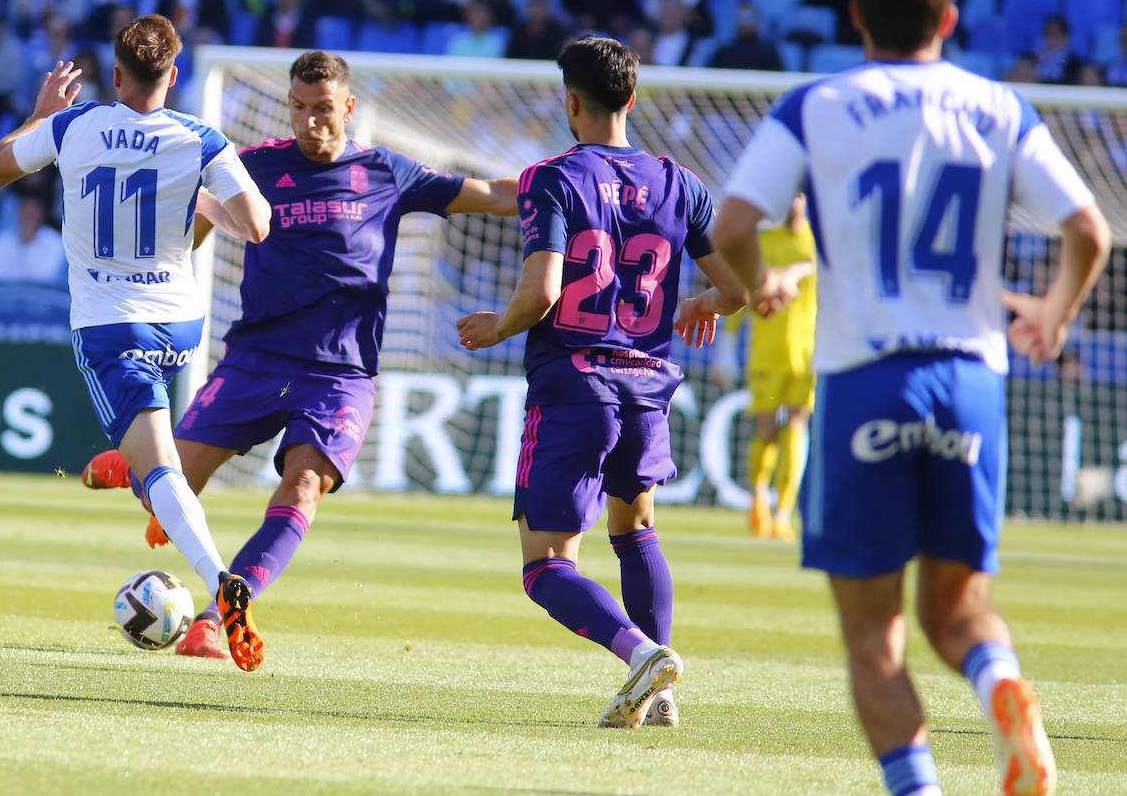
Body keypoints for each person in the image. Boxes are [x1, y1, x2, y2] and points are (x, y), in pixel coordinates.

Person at [713, 0, 1109, 796]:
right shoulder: (998, 107)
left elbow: (733, 221)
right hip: (970, 379)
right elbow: (1090, 230)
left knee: (873, 635)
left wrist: (755, 284)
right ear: (951, 14)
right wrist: (1052, 312)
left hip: (864, 381)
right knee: (959, 613)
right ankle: (1000, 680)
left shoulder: (817, 105)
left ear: (854, 14)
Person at [79, 50, 520, 667]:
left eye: (323, 110)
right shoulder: (254, 166)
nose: (310, 123)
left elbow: (496, 196)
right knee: (173, 489)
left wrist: (561, 188)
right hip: (256, 358)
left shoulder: (386, 173)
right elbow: (196, 222)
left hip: (340, 373)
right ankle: (137, 470)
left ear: (349, 108)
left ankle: (217, 616)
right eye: (299, 109)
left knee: (305, 483)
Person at [456, 36, 748, 729]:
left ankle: (642, 654)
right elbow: (736, 290)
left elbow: (542, 292)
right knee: (635, 525)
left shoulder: (553, 177)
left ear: (572, 101)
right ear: (634, 98)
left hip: (574, 383)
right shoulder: (682, 182)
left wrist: (496, 327)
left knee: (545, 565)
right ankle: (664, 691)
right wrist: (699, 306)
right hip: (647, 386)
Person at [0, 14, 273, 671]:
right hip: (180, 325)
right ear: (174, 75)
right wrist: (206, 201)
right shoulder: (201, 139)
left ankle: (219, 576)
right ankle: (133, 469)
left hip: (112, 326)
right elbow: (258, 226)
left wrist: (39, 113)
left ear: (115, 75)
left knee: (164, 467)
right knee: (152, 450)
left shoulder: (73, 125)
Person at [740, 195, 816, 542]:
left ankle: (784, 512)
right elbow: (741, 295)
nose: (792, 203)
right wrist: (726, 349)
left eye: (798, 196)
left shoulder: (819, 242)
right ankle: (758, 499)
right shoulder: (762, 242)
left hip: (808, 351)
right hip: (767, 350)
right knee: (766, 430)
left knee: (798, 426)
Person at [0, 194, 66, 283]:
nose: (28, 213)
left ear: (42, 213)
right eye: (25, 208)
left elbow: (47, 279)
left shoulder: (56, 243)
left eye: (34, 209)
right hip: (3, 294)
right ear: (18, 211)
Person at [708, 3, 784, 72]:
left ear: (758, 21)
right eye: (740, 18)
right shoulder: (724, 52)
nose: (745, 24)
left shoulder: (769, 53)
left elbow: (780, 79)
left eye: (749, 18)